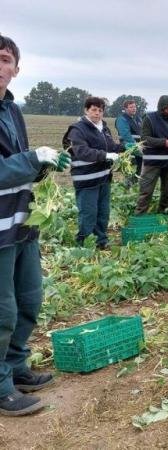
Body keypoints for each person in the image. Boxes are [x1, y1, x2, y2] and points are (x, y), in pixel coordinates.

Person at [0, 34, 71, 416]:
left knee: (28, 299)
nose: (0, 66)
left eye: (4, 59)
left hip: (21, 222)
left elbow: (18, 163)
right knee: (1, 310)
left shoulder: (12, 110)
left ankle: (14, 368)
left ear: (16, 69)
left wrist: (43, 165)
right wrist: (32, 158)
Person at [63, 96, 121, 248]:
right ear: (86, 110)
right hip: (86, 180)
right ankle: (84, 244)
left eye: (100, 110)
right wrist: (105, 155)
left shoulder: (104, 128)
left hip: (104, 178)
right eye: (93, 110)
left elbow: (111, 147)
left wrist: (125, 147)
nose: (97, 113)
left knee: (103, 213)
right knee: (88, 214)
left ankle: (101, 241)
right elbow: (82, 151)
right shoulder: (77, 129)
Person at [135, 95, 168, 215]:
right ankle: (140, 216)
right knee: (146, 191)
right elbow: (144, 139)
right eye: (166, 108)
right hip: (153, 163)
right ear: (160, 107)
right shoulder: (149, 118)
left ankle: (163, 215)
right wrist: (164, 142)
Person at [114, 99, 143, 188]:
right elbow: (126, 135)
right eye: (131, 107)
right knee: (130, 169)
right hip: (129, 148)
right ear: (125, 108)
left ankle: (136, 185)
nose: (134, 109)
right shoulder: (122, 119)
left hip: (139, 148)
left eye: (134, 107)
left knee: (141, 167)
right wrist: (135, 145)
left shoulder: (138, 118)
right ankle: (128, 187)